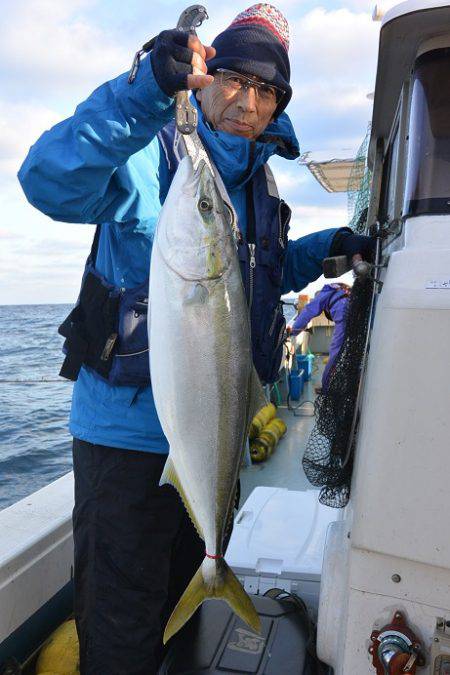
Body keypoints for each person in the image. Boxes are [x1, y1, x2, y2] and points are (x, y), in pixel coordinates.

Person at [18, 5, 375, 673]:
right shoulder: (152, 157)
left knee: (181, 628)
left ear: (278, 105)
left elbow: (252, 275)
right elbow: (47, 180)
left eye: (268, 90)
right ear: (204, 78)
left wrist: (323, 250)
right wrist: (140, 92)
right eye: (236, 78)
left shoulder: (260, 186)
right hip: (126, 446)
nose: (248, 100)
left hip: (211, 448)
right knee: (122, 635)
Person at [288, 282, 351, 391]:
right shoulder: (339, 289)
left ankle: (326, 387)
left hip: (343, 313)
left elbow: (307, 312)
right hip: (355, 311)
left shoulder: (323, 296)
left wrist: (293, 331)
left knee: (335, 352)